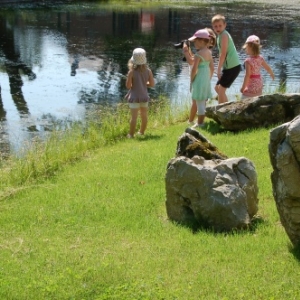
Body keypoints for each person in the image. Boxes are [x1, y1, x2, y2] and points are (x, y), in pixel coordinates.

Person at [182, 28, 216, 125]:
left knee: (199, 102)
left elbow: (194, 69)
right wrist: (208, 79)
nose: (194, 44)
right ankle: (200, 121)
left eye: (195, 41)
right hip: (206, 79)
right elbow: (212, 68)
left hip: (199, 79)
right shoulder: (209, 53)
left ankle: (200, 123)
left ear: (201, 41)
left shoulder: (198, 54)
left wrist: (192, 79)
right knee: (202, 102)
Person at [125, 48, 155, 138]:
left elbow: (128, 86)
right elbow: (152, 84)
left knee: (134, 117)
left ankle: (131, 134)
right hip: (144, 97)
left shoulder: (132, 72)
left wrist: (133, 82)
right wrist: (144, 84)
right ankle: (141, 132)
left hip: (134, 97)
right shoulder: (148, 71)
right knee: (144, 115)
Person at [211, 14, 241, 104]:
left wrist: (219, 69)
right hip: (228, 68)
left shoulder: (224, 35)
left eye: (220, 25)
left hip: (233, 67)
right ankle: (228, 108)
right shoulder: (219, 36)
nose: (218, 28)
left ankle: (220, 113)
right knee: (217, 88)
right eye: (215, 26)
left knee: (221, 91)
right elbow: (221, 54)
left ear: (225, 25)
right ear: (213, 27)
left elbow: (223, 54)